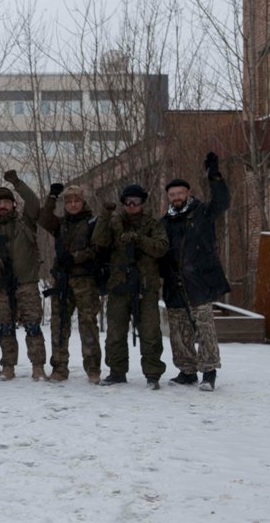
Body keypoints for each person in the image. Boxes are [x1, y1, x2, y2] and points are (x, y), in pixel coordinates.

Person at [160, 152, 230, 392]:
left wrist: (215, 177)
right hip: (174, 283)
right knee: (179, 332)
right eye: (172, 195)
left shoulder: (202, 213)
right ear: (168, 198)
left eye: (180, 193)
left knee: (205, 328)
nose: (177, 197)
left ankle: (209, 372)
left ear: (187, 194)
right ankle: (187, 370)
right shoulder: (164, 223)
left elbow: (222, 202)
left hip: (199, 281)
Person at [92, 184, 168, 388]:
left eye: (136, 201)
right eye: (127, 202)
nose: (132, 205)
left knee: (150, 332)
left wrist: (139, 239)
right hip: (119, 285)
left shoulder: (153, 224)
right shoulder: (115, 222)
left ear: (143, 202)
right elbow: (99, 241)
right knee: (115, 333)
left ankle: (152, 373)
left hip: (145, 286)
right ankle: (117, 371)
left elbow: (161, 248)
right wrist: (105, 215)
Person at [0, 170, 47, 381]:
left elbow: (33, 202)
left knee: (33, 326)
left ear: (14, 203)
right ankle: (8, 366)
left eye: (7, 202)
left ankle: (38, 367)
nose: (3, 206)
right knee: (5, 328)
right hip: (2, 285)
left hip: (26, 283)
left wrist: (17, 182)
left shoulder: (26, 222)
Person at [39, 184, 104, 384]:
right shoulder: (60, 224)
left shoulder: (93, 222)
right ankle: (59, 368)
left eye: (76, 201)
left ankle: (93, 369)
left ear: (83, 202)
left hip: (85, 279)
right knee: (59, 325)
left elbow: (97, 248)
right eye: (69, 202)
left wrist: (74, 258)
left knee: (87, 325)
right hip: (63, 280)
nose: (73, 205)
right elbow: (43, 219)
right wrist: (52, 197)